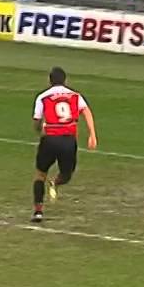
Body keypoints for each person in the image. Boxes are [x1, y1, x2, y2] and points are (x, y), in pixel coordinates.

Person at [32, 67, 97, 223]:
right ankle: (55, 182)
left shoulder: (42, 97)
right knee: (67, 174)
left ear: (49, 80)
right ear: (65, 80)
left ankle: (38, 211)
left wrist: (40, 130)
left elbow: (36, 120)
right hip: (68, 141)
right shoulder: (75, 95)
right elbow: (86, 111)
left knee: (40, 174)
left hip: (49, 139)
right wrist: (92, 134)